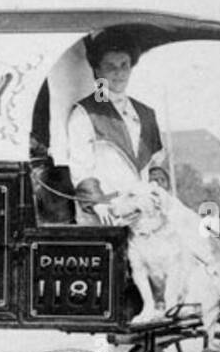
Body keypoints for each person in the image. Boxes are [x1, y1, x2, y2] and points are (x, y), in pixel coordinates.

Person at [66, 32, 170, 223]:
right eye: (110, 67)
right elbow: (80, 167)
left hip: (141, 216)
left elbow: (155, 162)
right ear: (97, 71)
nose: (119, 73)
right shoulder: (85, 113)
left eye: (124, 66)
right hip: (106, 213)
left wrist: (157, 187)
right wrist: (97, 203)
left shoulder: (146, 113)